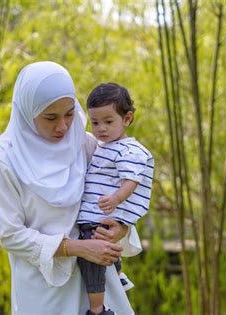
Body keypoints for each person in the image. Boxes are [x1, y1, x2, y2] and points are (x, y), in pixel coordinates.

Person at [0, 62, 142, 315]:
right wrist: (78, 248)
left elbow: (116, 197)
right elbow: (11, 234)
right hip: (44, 289)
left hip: (99, 284)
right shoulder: (4, 161)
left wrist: (120, 228)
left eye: (69, 114)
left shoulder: (86, 145)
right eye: (50, 117)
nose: (63, 126)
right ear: (27, 112)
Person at [77, 83, 154, 315]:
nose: (101, 128)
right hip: (97, 213)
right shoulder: (103, 145)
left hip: (102, 215)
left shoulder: (128, 149)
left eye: (108, 122)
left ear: (127, 119)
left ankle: (97, 309)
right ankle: (118, 274)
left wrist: (116, 198)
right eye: (95, 122)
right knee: (102, 250)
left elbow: (133, 179)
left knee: (90, 260)